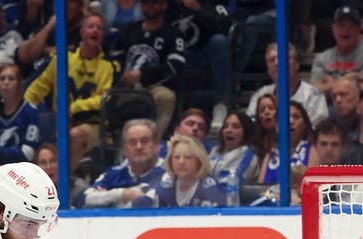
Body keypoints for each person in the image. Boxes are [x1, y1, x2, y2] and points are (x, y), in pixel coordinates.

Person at [23, 11, 116, 175]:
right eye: (90, 27)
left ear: (104, 35)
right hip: (59, 122)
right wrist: (25, 108)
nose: (95, 31)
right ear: (81, 31)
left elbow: (106, 100)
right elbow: (39, 85)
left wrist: (74, 108)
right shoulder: (62, 58)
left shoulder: (110, 66)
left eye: (99, 28)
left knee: (75, 134)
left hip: (95, 126)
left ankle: (64, 183)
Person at [115, 0, 185, 139]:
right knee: (104, 96)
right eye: (146, 3)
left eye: (154, 2)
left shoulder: (173, 34)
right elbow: (115, 59)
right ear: (141, 6)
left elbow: (174, 66)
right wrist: (121, 76)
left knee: (167, 97)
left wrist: (142, 74)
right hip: (125, 86)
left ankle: (152, 142)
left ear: (164, 5)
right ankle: (116, 142)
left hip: (154, 87)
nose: (150, 6)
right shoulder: (129, 30)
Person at [167, 0, 234, 133]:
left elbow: (225, 26)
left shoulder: (212, 4)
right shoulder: (168, 5)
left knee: (219, 41)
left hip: (203, 55)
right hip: (175, 55)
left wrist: (199, 10)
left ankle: (221, 104)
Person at [77, 118, 164, 208]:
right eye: (132, 142)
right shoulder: (114, 174)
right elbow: (83, 200)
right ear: (125, 149)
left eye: (144, 141)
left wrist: (107, 200)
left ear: (157, 145)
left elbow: (150, 202)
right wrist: (121, 194)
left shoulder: (169, 173)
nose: (139, 147)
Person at [247, 42, 329, 127]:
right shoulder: (260, 95)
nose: (277, 63)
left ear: (297, 64)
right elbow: (250, 129)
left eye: (283, 57)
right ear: (268, 69)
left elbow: (316, 134)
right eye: (271, 60)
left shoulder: (313, 96)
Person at [310, 6, 363, 97]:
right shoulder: (321, 58)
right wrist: (352, 78)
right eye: (341, 25)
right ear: (333, 29)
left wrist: (330, 83)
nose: (346, 29)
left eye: (352, 25)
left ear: (359, 29)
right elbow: (314, 92)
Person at [132, 133, 224, 208]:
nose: (181, 162)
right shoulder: (166, 183)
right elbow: (139, 205)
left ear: (199, 161)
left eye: (188, 157)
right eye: (176, 157)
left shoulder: (211, 190)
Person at [0, 63, 42, 164]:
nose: (6, 83)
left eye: (11, 79)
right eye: (2, 79)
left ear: (19, 84)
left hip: (21, 170)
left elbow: (28, 153)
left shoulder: (30, 111)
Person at [208, 111, 259, 203]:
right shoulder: (214, 150)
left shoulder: (249, 155)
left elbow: (233, 182)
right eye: (226, 126)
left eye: (236, 127)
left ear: (246, 131)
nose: (229, 130)